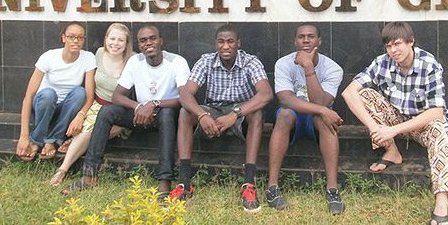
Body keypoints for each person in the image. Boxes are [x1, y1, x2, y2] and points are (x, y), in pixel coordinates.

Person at [341, 22, 448, 225]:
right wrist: (376, 128)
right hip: (395, 119)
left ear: (411, 42)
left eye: (397, 44)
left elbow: (437, 111)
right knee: (364, 94)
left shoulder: (429, 64)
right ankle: (392, 152)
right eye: (388, 46)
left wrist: (392, 130)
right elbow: (348, 92)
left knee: (442, 129)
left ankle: (441, 202)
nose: (393, 51)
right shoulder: (382, 63)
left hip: (422, 125)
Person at [62, 25, 190, 199]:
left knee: (166, 115)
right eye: (143, 41)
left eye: (153, 38)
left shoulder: (176, 61)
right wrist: (138, 107)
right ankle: (89, 176)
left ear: (161, 41)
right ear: (138, 44)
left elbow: (185, 98)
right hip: (140, 113)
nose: (148, 43)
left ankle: (164, 182)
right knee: (107, 112)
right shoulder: (135, 61)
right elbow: (117, 96)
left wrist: (155, 103)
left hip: (167, 113)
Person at [174, 24, 272, 213]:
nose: (225, 46)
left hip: (240, 112)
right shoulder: (206, 61)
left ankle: (249, 184)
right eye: (221, 42)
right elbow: (185, 94)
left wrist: (234, 114)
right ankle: (185, 183)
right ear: (216, 43)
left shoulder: (251, 62)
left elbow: (265, 94)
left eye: (230, 42)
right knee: (185, 112)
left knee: (257, 113)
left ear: (238, 43)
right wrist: (202, 115)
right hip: (212, 110)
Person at [266, 23, 345, 214]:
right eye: (301, 37)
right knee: (284, 114)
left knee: (325, 120)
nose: (306, 40)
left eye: (311, 36)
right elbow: (285, 98)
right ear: (295, 41)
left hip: (316, 120)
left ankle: (332, 189)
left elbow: (321, 102)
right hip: (292, 117)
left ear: (319, 41)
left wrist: (309, 67)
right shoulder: (283, 63)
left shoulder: (333, 68)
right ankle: (272, 187)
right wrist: (324, 110)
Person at [48, 23, 133, 187]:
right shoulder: (100, 54)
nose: (115, 43)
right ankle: (62, 170)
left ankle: (73, 143)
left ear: (127, 43)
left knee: (93, 131)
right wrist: (83, 112)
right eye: (112, 38)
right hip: (96, 104)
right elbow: (90, 86)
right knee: (88, 130)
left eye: (120, 40)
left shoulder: (133, 60)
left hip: (118, 110)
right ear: (105, 39)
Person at [16, 22, 96, 161]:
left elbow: (89, 96)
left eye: (80, 37)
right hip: (43, 106)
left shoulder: (88, 57)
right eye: (71, 37)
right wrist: (23, 136)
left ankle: (50, 141)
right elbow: (29, 96)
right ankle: (35, 140)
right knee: (48, 94)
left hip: (66, 110)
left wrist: (81, 115)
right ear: (63, 38)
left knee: (80, 93)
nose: (76, 41)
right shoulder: (49, 57)